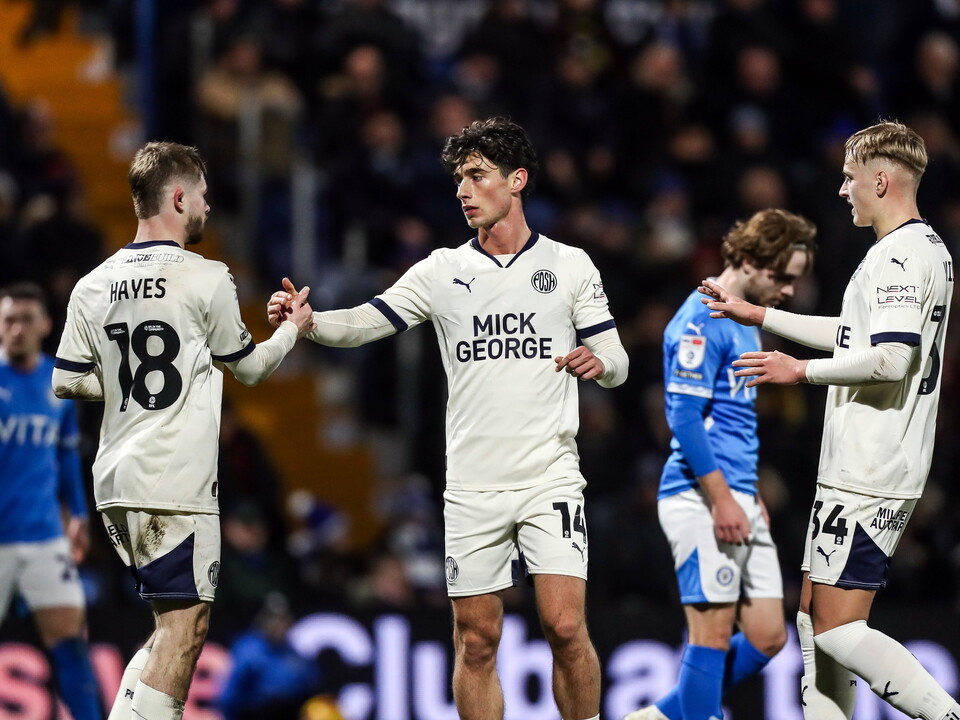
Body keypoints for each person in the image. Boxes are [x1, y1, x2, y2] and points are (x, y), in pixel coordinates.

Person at [269, 116, 628, 720]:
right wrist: (311, 323)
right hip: (471, 486)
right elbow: (367, 321)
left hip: (549, 477)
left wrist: (602, 363)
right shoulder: (441, 271)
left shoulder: (570, 266)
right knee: (477, 639)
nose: (463, 190)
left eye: (477, 176)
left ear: (517, 180)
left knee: (565, 626)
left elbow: (617, 359)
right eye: (459, 178)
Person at [700, 120, 960, 720]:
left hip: (874, 463)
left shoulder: (901, 257)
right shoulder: (916, 250)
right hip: (857, 462)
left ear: (880, 180)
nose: (843, 190)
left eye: (849, 178)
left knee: (840, 627)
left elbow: (892, 360)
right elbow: (855, 335)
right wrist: (760, 315)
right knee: (814, 620)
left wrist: (800, 372)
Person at [51, 141, 315, 720]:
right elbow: (250, 369)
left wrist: (124, 383)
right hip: (175, 483)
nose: (207, 207)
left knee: (167, 625)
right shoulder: (206, 276)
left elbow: (67, 381)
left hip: (116, 483)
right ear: (177, 197)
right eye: (201, 195)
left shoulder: (92, 283)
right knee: (186, 628)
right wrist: (291, 330)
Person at [626, 209, 818, 720]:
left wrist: (746, 491)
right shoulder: (700, 318)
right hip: (700, 497)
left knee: (769, 635)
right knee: (711, 634)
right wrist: (723, 499)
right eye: (783, 277)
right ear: (751, 261)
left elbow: (731, 420)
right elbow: (684, 417)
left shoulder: (744, 320)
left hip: (736, 494)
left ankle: (661, 716)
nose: (789, 291)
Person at [0, 282, 103, 719]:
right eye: (8, 320)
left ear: (45, 325)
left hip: (45, 537)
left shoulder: (59, 383)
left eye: (26, 319)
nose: (16, 328)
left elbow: (66, 456)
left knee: (71, 646)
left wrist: (78, 513)